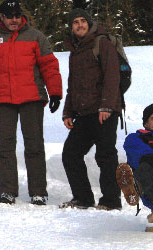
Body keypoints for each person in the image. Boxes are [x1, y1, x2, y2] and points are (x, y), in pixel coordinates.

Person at [0, 0, 62, 205]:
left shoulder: (36, 37)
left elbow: (49, 66)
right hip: (3, 100)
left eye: (17, 15)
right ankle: (8, 191)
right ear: (1, 17)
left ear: (21, 16)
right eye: (9, 16)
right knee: (5, 147)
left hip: (32, 98)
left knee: (34, 146)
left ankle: (38, 192)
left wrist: (55, 92)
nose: (14, 19)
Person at [60, 8, 122, 210]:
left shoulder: (101, 43)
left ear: (89, 23)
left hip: (105, 110)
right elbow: (73, 84)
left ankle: (111, 201)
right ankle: (83, 198)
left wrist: (106, 105)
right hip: (84, 113)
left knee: (105, 156)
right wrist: (68, 111)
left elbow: (112, 76)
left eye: (82, 21)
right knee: (71, 153)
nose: (79, 25)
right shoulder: (75, 51)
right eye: (75, 22)